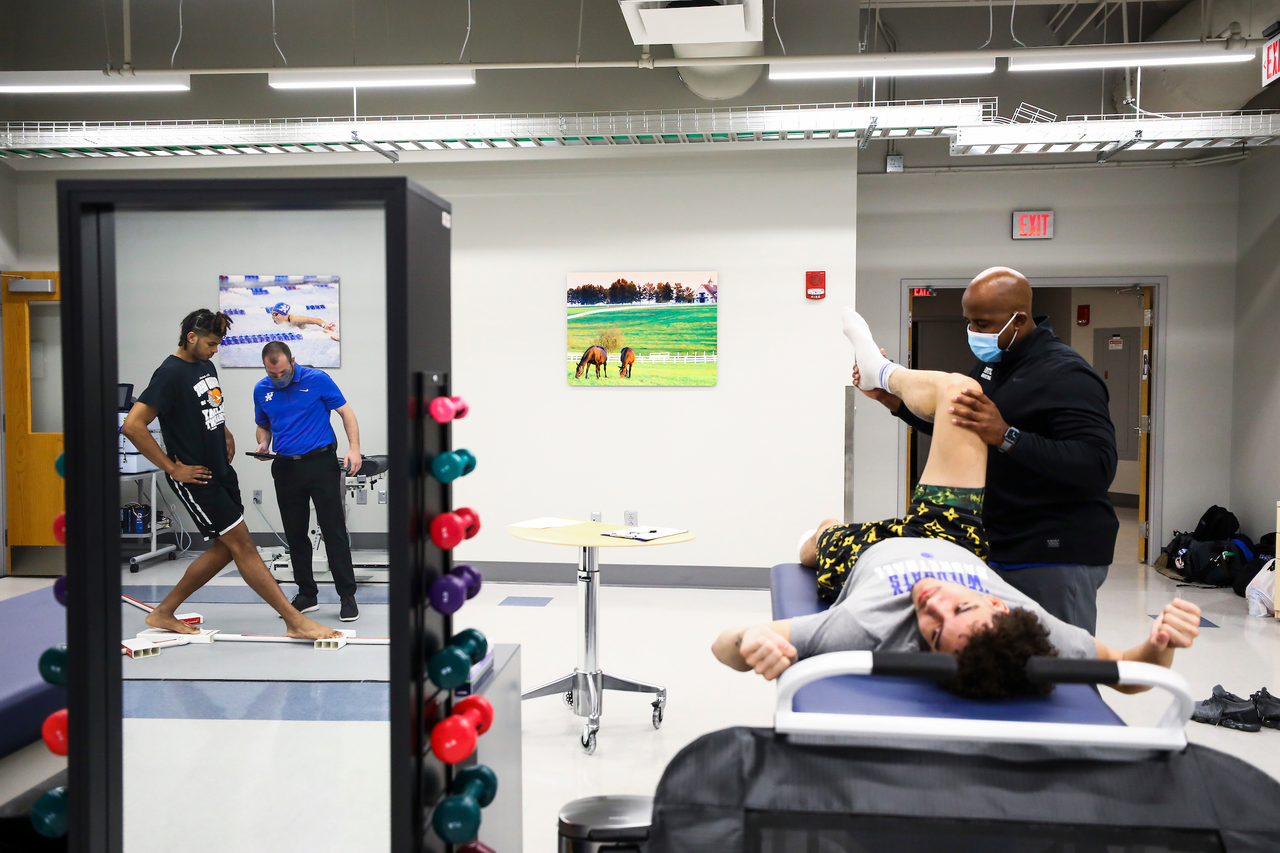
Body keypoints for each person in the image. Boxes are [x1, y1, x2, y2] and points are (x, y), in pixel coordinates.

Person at [712, 310, 1199, 697]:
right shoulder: (1033, 630)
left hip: (872, 552)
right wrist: (1162, 644)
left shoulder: (864, 628)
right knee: (964, 393)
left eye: (934, 634)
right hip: (954, 535)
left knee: (816, 540)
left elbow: (726, 644)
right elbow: (1134, 675)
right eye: (960, 606)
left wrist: (750, 644)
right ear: (997, 605)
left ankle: (828, 527)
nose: (932, 602)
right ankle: (882, 374)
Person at [854, 267, 1118, 634]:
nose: (973, 333)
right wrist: (894, 405)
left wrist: (1008, 435)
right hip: (1002, 541)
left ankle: (883, 370)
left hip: (1055, 551)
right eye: (969, 322)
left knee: (1059, 670)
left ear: (1019, 319)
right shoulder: (994, 364)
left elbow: (1098, 465)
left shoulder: (1067, 374)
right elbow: (966, 426)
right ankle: (883, 377)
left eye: (981, 323)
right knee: (1007, 664)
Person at [120, 309, 342, 640]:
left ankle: (163, 613)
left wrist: (224, 431)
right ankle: (294, 621)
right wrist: (172, 467)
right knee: (245, 546)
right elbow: (133, 426)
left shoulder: (204, 365)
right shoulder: (169, 374)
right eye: (211, 343)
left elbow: (208, 406)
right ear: (191, 338)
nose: (215, 350)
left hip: (221, 471)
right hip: (197, 477)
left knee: (226, 549)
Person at [254, 341, 363, 622]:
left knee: (333, 530)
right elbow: (263, 425)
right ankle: (307, 594)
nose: (278, 378)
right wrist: (263, 444)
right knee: (295, 533)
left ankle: (347, 596)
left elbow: (346, 413)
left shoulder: (317, 380)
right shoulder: (261, 389)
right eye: (272, 374)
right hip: (286, 467)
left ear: (293, 361)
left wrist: (354, 448)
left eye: (282, 372)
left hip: (321, 463)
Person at [269, 302, 339, 341]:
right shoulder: (288, 322)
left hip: (317, 330)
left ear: (283, 314)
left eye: (275, 314)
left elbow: (316, 320)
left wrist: (325, 326)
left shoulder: (296, 319)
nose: (273, 317)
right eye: (272, 314)